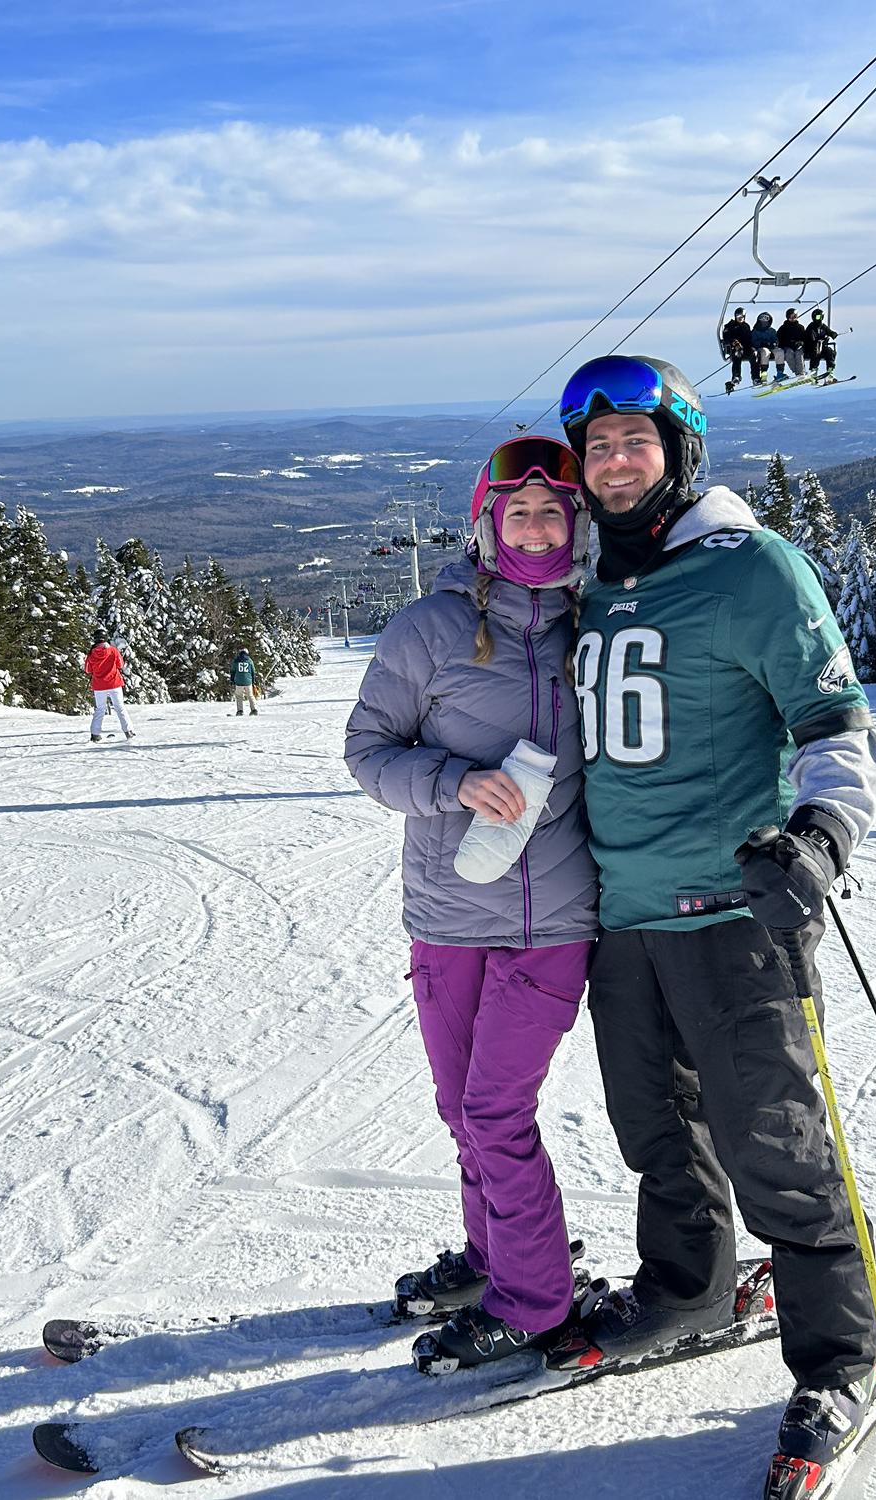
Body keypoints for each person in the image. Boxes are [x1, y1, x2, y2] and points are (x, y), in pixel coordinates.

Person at [557, 353, 876, 1493]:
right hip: (622, 916)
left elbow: (836, 723)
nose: (612, 464)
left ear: (680, 452)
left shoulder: (752, 570)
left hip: (732, 912)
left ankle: (842, 1357)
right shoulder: (592, 583)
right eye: (595, 448)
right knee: (655, 1131)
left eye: (633, 444)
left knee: (775, 1145)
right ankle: (689, 1287)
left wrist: (821, 837)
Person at [345, 435, 598, 1369]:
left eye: (553, 513)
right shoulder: (430, 628)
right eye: (517, 512)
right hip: (449, 913)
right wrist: (455, 782)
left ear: (578, 527)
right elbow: (369, 752)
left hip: (557, 918)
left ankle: (533, 1301)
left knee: (497, 1111)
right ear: (487, 524)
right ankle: (495, 1255)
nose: (536, 528)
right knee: (462, 1110)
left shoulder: (600, 624)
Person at [83, 627, 135, 741]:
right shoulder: (113, 650)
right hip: (114, 683)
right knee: (120, 707)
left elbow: (87, 669)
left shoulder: (91, 653)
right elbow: (120, 665)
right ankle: (128, 731)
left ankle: (95, 734)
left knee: (100, 709)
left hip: (99, 686)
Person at [720, 308, 758, 393]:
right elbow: (726, 337)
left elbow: (749, 339)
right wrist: (734, 342)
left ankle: (755, 377)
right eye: (738, 316)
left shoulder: (746, 326)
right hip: (735, 348)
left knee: (754, 354)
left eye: (742, 316)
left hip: (746, 348)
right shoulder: (730, 326)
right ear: (735, 316)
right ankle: (736, 376)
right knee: (738, 354)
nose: (740, 318)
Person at [751, 311, 786, 384]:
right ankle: (764, 373)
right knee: (765, 351)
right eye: (762, 320)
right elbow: (753, 341)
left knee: (780, 351)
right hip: (761, 348)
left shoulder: (771, 331)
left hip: (771, 348)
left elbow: (775, 340)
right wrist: (762, 343)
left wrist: (774, 343)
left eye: (766, 320)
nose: (764, 322)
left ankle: (780, 373)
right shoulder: (755, 331)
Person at [804, 309, 838, 380]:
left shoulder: (823, 326)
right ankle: (813, 373)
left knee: (830, 352)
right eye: (817, 317)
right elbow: (810, 338)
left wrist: (833, 334)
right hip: (812, 348)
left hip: (822, 347)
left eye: (820, 317)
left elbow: (830, 332)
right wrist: (818, 340)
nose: (818, 319)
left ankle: (830, 373)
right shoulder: (811, 327)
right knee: (815, 353)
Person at [778, 308, 807, 378]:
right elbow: (779, 339)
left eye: (794, 316)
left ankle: (801, 372)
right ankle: (797, 372)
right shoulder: (783, 328)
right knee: (789, 354)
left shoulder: (800, 327)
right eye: (791, 317)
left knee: (799, 354)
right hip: (788, 347)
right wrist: (785, 344)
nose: (793, 318)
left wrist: (801, 343)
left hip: (798, 347)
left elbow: (805, 338)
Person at [231, 649, 259, 715]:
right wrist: (253, 681)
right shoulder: (249, 660)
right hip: (248, 681)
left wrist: (232, 680)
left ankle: (240, 711)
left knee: (239, 696)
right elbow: (253, 671)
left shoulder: (236, 660)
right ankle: (254, 709)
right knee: (250, 695)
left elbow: (233, 671)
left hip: (239, 681)